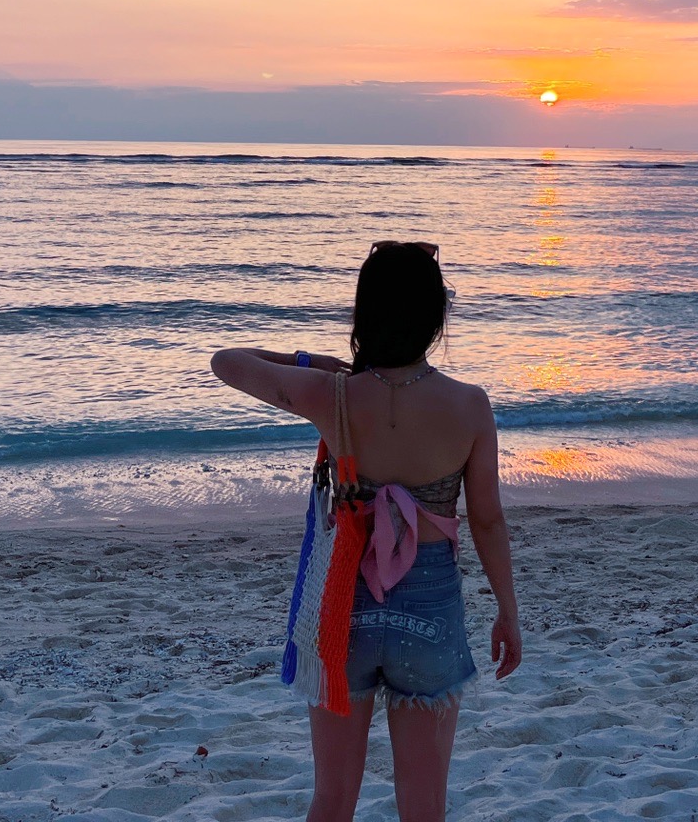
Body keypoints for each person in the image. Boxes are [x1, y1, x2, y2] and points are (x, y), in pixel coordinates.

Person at [210, 240, 523, 822]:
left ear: (363, 314)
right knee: (424, 808)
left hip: (343, 610)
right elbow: (486, 518)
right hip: (429, 610)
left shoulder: (332, 396)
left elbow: (227, 361)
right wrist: (507, 609)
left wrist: (313, 364)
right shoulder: (469, 406)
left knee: (331, 801)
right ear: (435, 319)